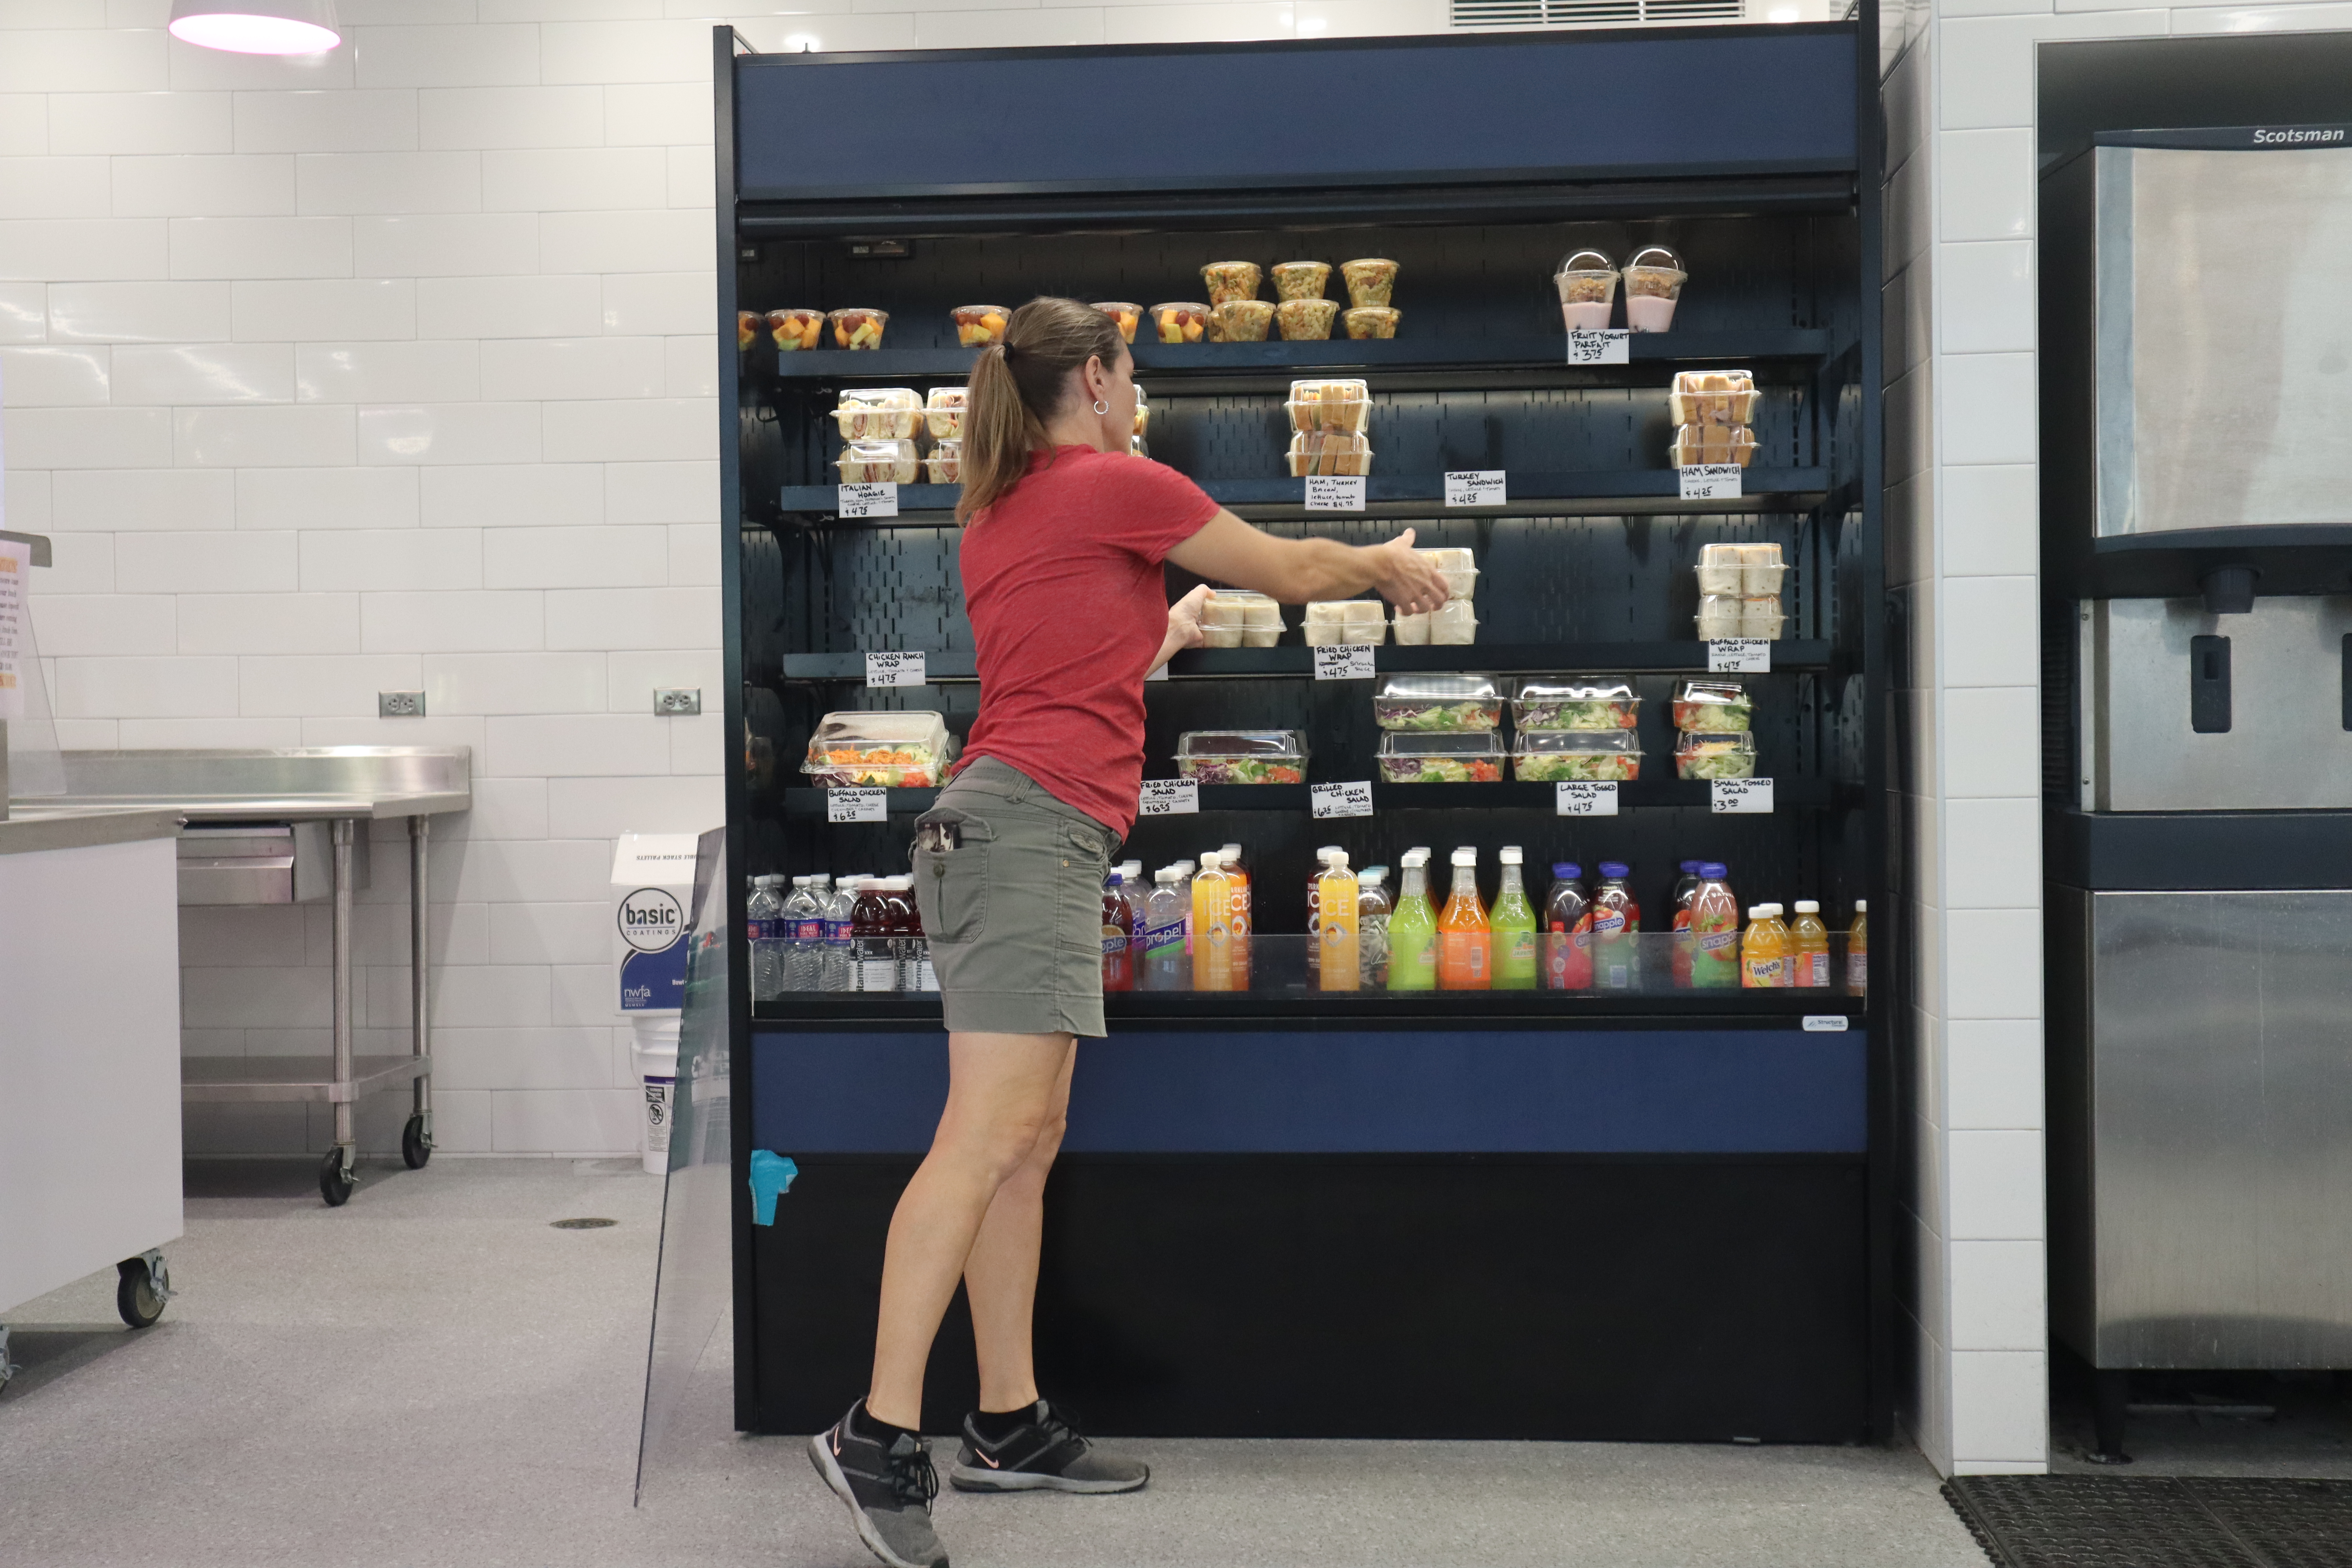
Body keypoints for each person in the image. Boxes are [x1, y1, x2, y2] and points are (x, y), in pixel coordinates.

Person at [808, 297, 1448, 1568]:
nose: (1135, 394)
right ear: (1095, 379)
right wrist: (1379, 563)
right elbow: (1289, 568)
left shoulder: (1001, 506)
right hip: (1028, 835)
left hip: (1012, 827)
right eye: (1131, 374)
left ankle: (1007, 1423)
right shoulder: (1111, 480)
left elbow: (1062, 673)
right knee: (985, 1139)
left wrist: (1166, 630)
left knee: (1026, 1144)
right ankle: (877, 1432)